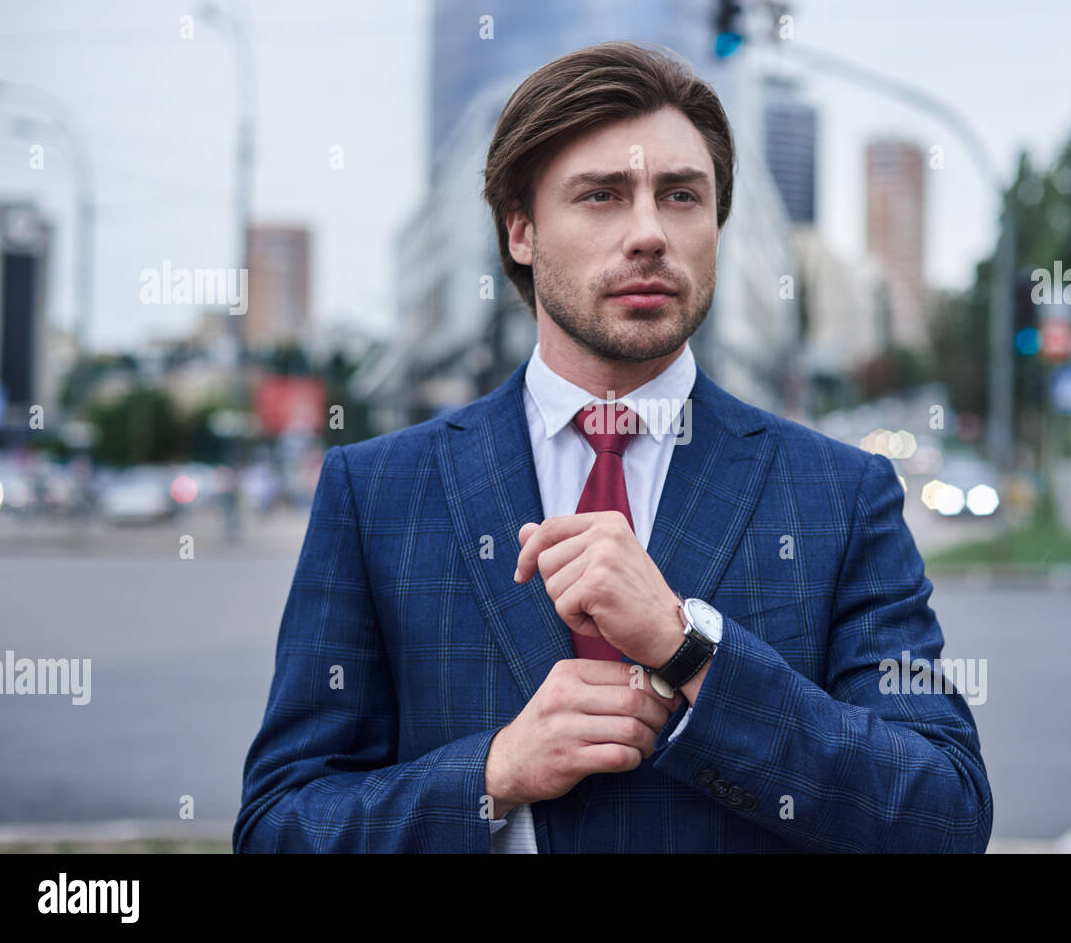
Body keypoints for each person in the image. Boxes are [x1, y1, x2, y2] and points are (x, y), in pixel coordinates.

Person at [233, 41, 992, 853]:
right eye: (601, 195)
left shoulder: (841, 494)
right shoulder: (376, 493)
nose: (649, 234)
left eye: (681, 196)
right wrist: (491, 775)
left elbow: (941, 815)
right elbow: (280, 825)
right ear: (520, 230)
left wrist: (690, 648)